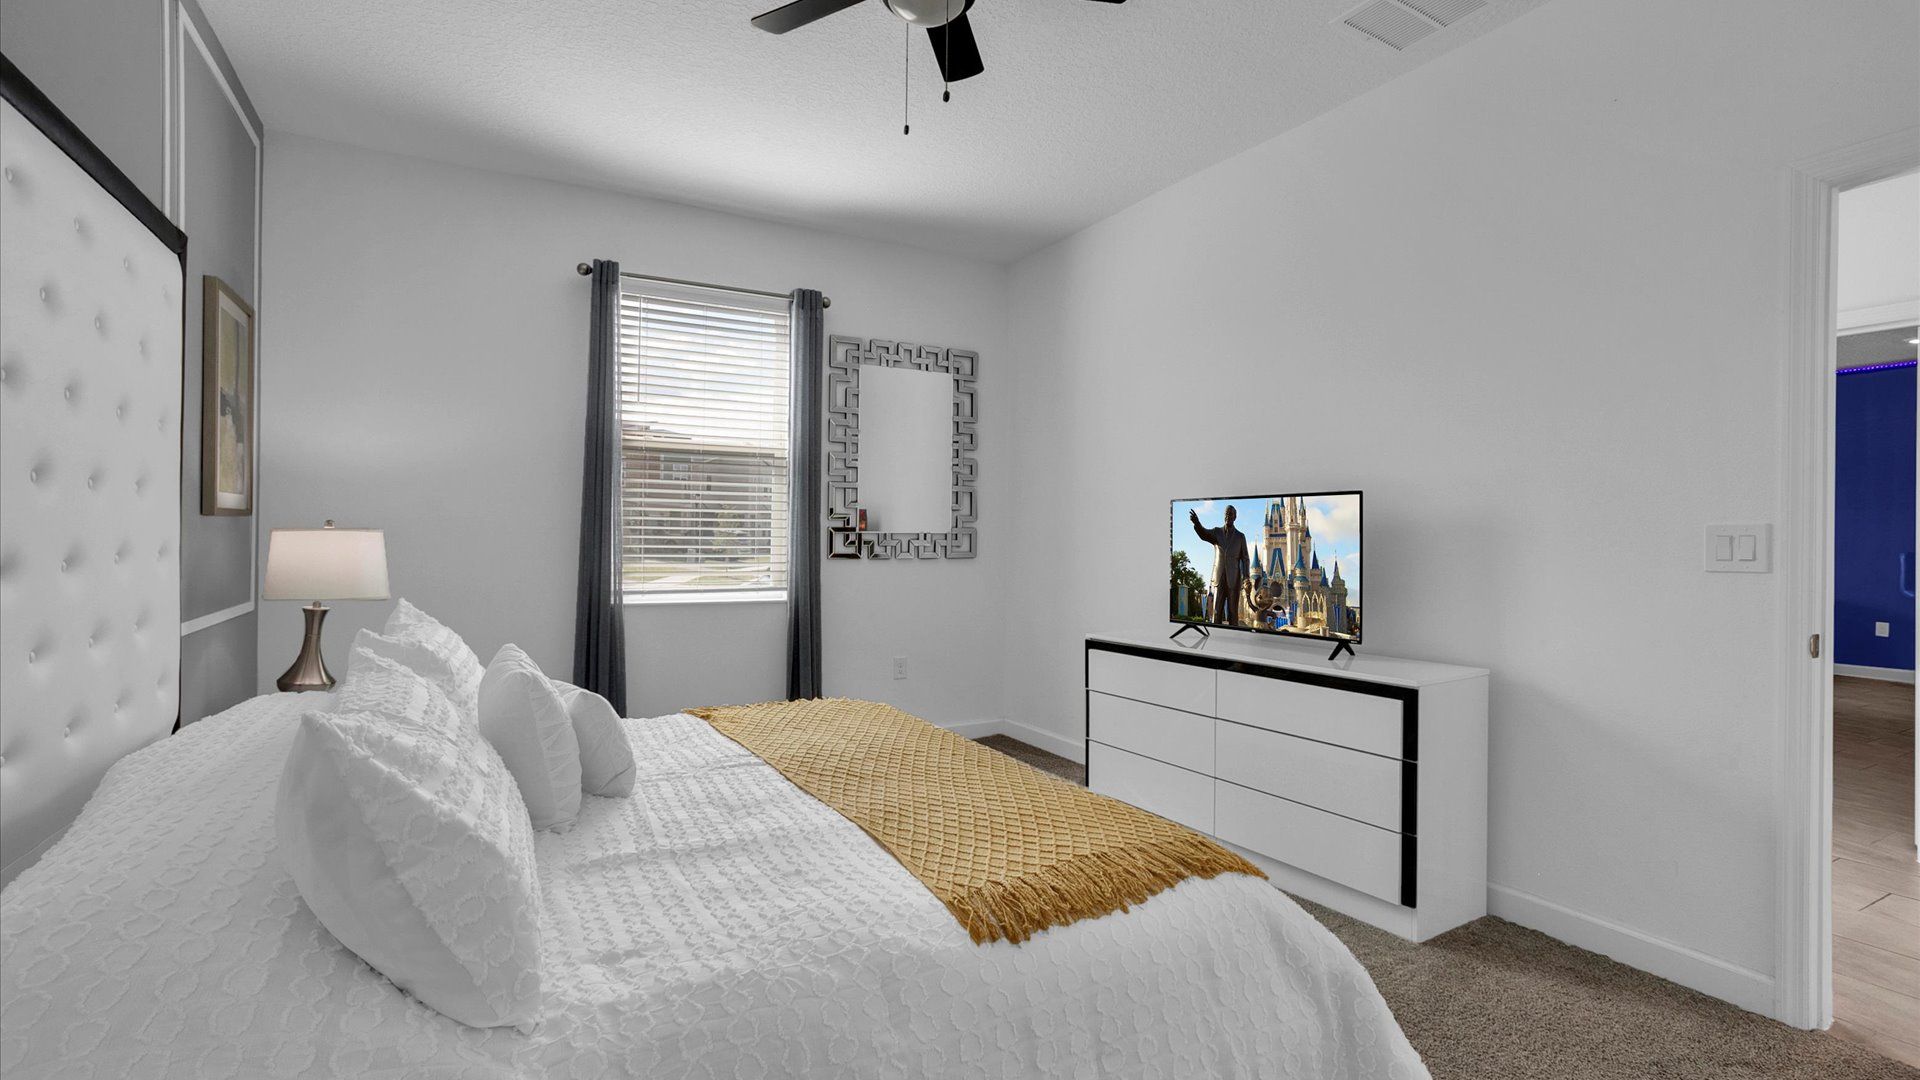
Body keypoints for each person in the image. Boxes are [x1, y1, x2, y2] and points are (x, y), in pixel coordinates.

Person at [1189, 505, 1250, 627]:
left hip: (1234, 579)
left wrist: (1246, 577)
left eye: (1230, 514)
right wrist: (1197, 523)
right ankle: (1214, 635)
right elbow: (1204, 534)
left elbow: (1245, 558)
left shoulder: (1240, 536)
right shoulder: (1217, 532)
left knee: (1233, 613)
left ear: (1235, 517)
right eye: (1226, 514)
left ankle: (1234, 636)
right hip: (1218, 578)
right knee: (1216, 612)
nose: (1228, 516)